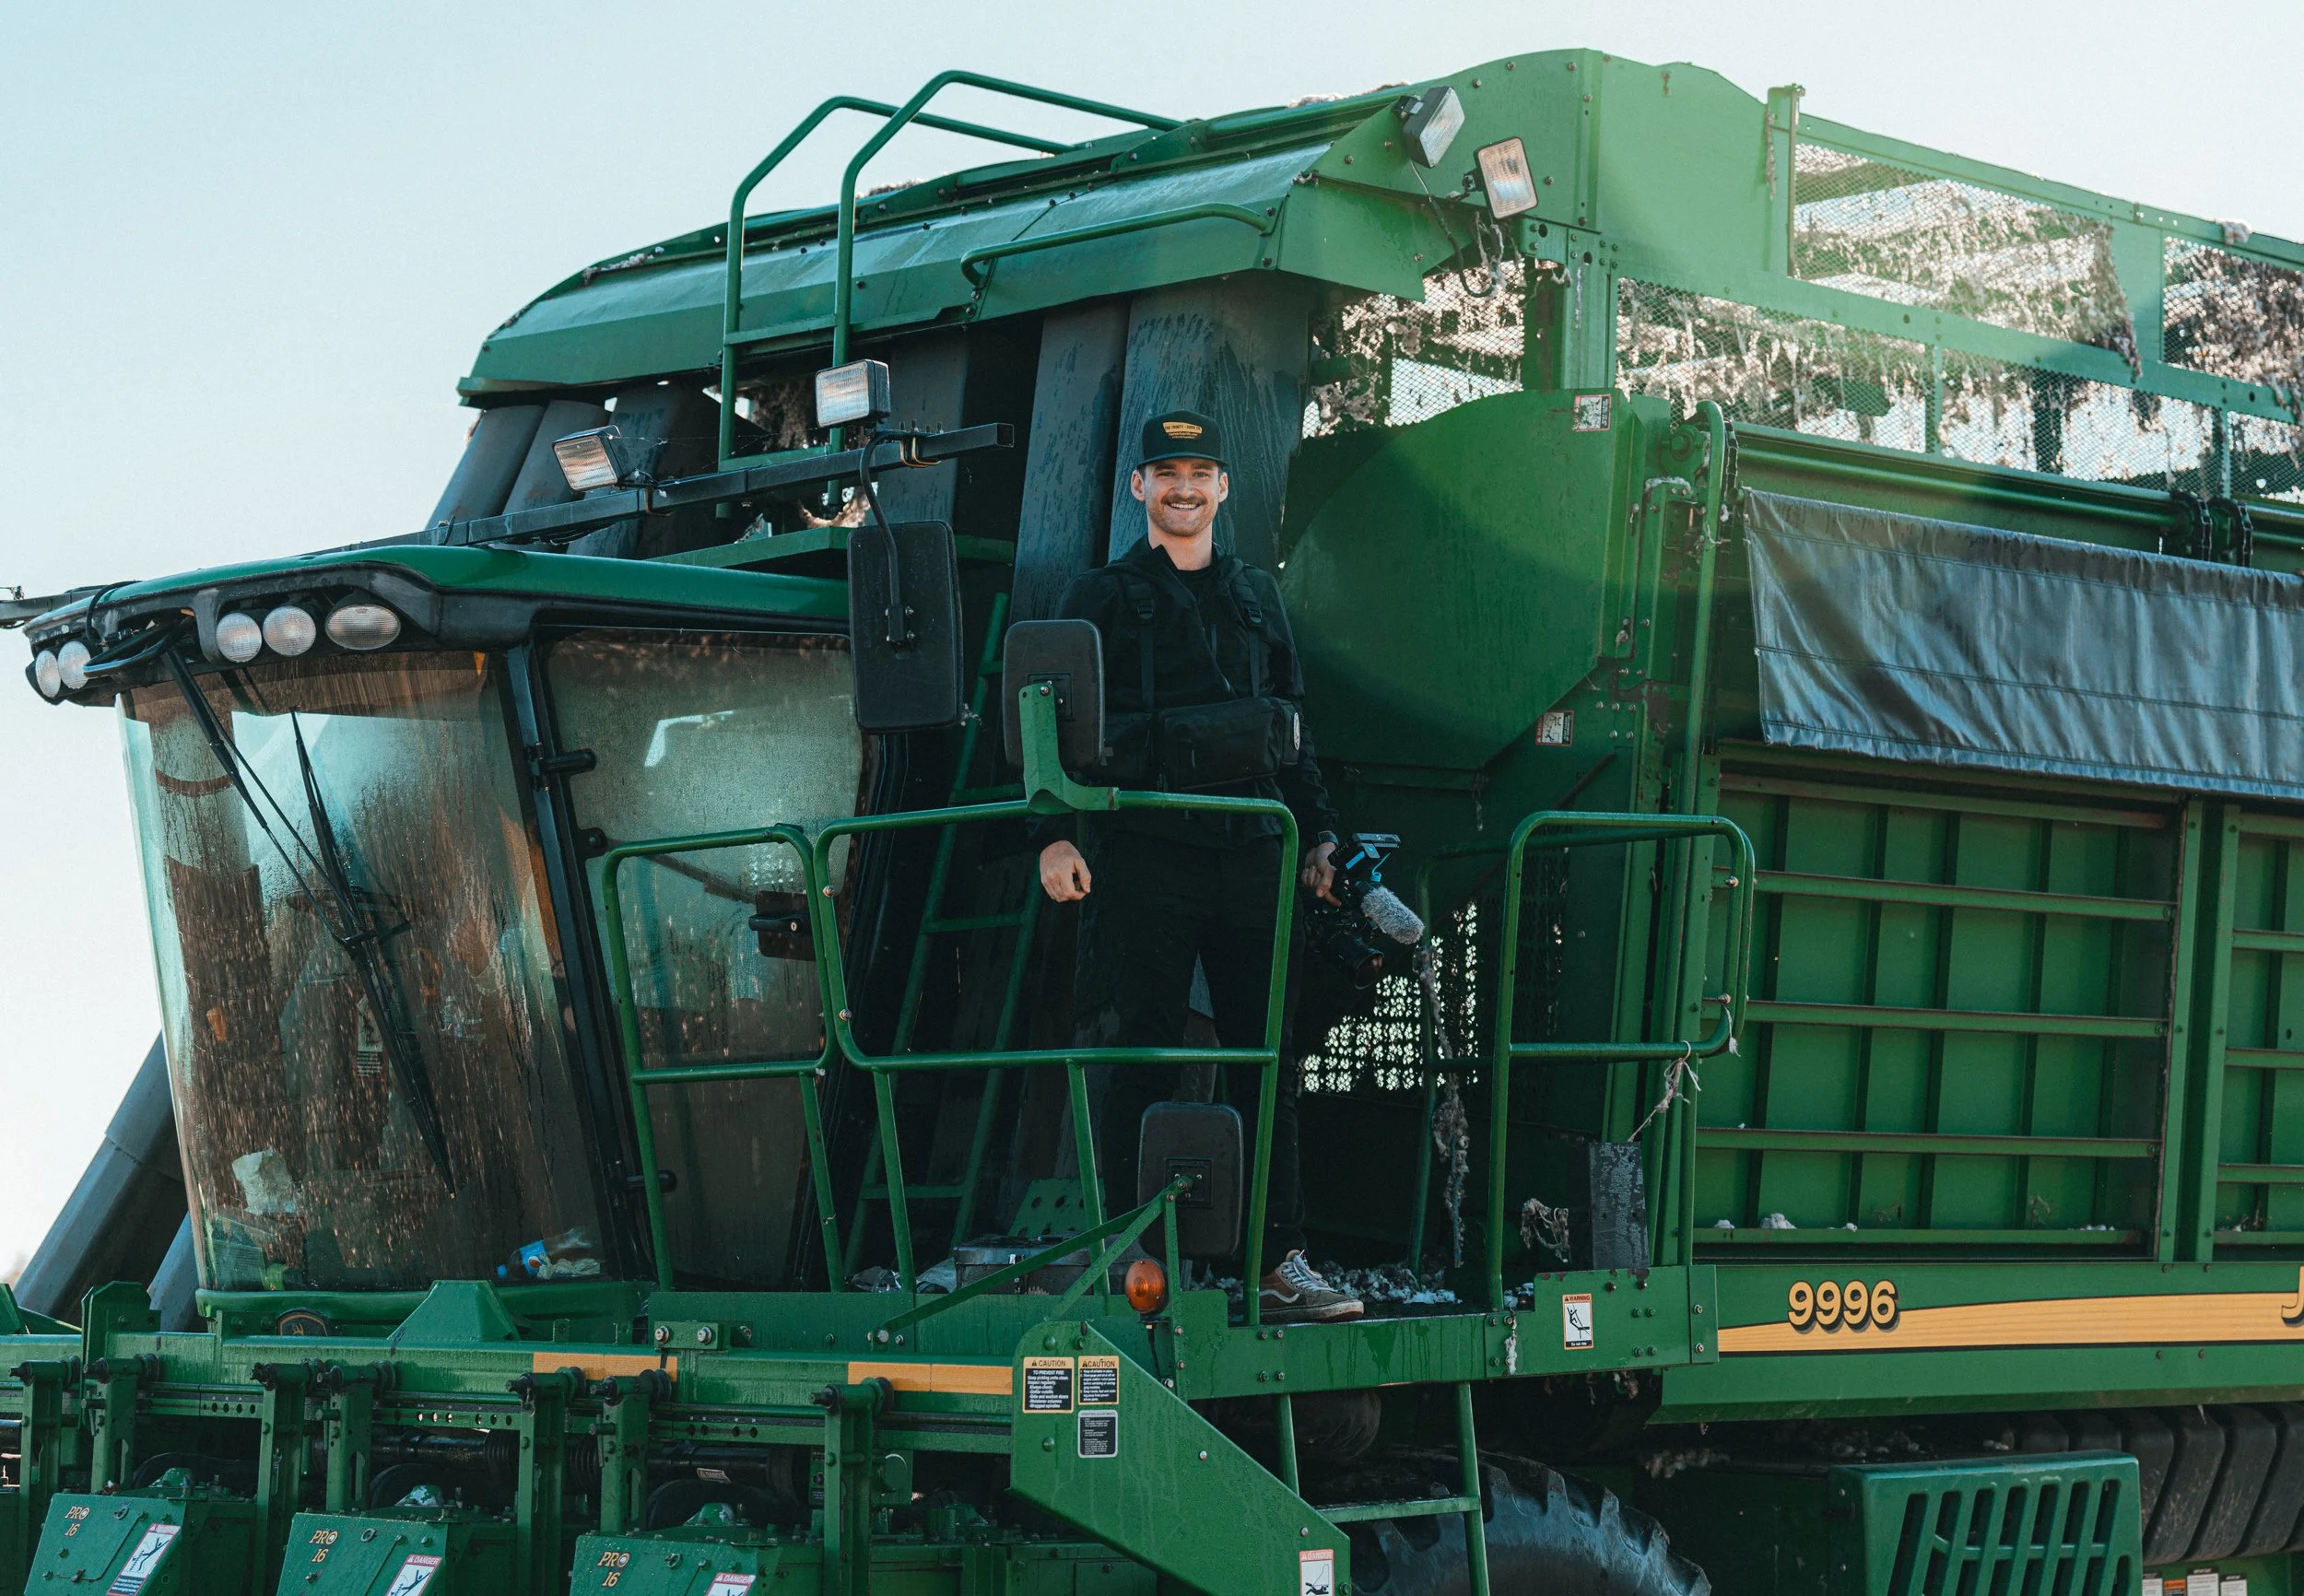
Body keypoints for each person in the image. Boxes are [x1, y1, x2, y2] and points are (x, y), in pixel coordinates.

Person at [1030, 409, 1363, 1323]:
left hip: (1257, 851)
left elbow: (1291, 726)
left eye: (1200, 472)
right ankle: (1128, 1249)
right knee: (1142, 1050)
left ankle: (1278, 1261)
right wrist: (1054, 837)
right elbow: (1048, 718)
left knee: (1270, 1061)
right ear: (1138, 486)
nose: (1183, 487)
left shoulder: (1256, 594)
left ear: (1222, 488)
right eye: (1165, 471)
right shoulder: (1100, 595)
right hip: (1148, 853)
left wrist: (1321, 836)